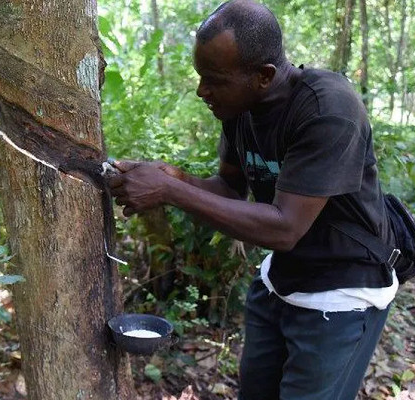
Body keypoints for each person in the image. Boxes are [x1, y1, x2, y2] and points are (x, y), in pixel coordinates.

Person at [106, 1, 399, 399]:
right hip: (280, 283)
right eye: (199, 77)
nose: (201, 90)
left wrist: (171, 191)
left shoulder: (328, 109)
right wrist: (172, 177)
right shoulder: (238, 107)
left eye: (214, 79)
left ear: (263, 76)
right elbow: (229, 189)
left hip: (341, 295)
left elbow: (285, 227)